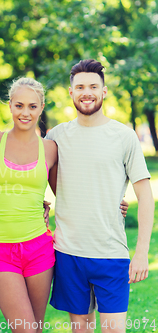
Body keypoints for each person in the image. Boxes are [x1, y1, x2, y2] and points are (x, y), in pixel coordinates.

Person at [46, 59, 154, 333]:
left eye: (93, 86)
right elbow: (36, 178)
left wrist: (141, 252)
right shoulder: (56, 136)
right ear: (70, 92)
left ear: (104, 91)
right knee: (80, 328)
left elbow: (145, 195)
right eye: (80, 87)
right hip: (69, 253)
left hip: (111, 253)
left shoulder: (124, 136)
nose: (87, 92)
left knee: (113, 330)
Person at [0, 78, 57, 333]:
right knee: (24, 328)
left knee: (35, 328)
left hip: (39, 247)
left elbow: (67, 195)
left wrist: (116, 202)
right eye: (19, 105)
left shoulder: (50, 149)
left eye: (32, 107)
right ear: (10, 106)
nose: (25, 113)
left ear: (41, 107)